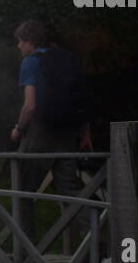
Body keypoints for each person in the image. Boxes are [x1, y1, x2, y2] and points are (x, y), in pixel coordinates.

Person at [9, 20, 92, 249]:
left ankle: (26, 251)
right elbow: (81, 98)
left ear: (30, 43)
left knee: (22, 189)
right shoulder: (68, 59)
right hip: (67, 131)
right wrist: (84, 132)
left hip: (40, 132)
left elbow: (30, 105)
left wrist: (18, 129)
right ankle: (92, 241)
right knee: (71, 190)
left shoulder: (31, 62)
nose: (19, 47)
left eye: (21, 42)